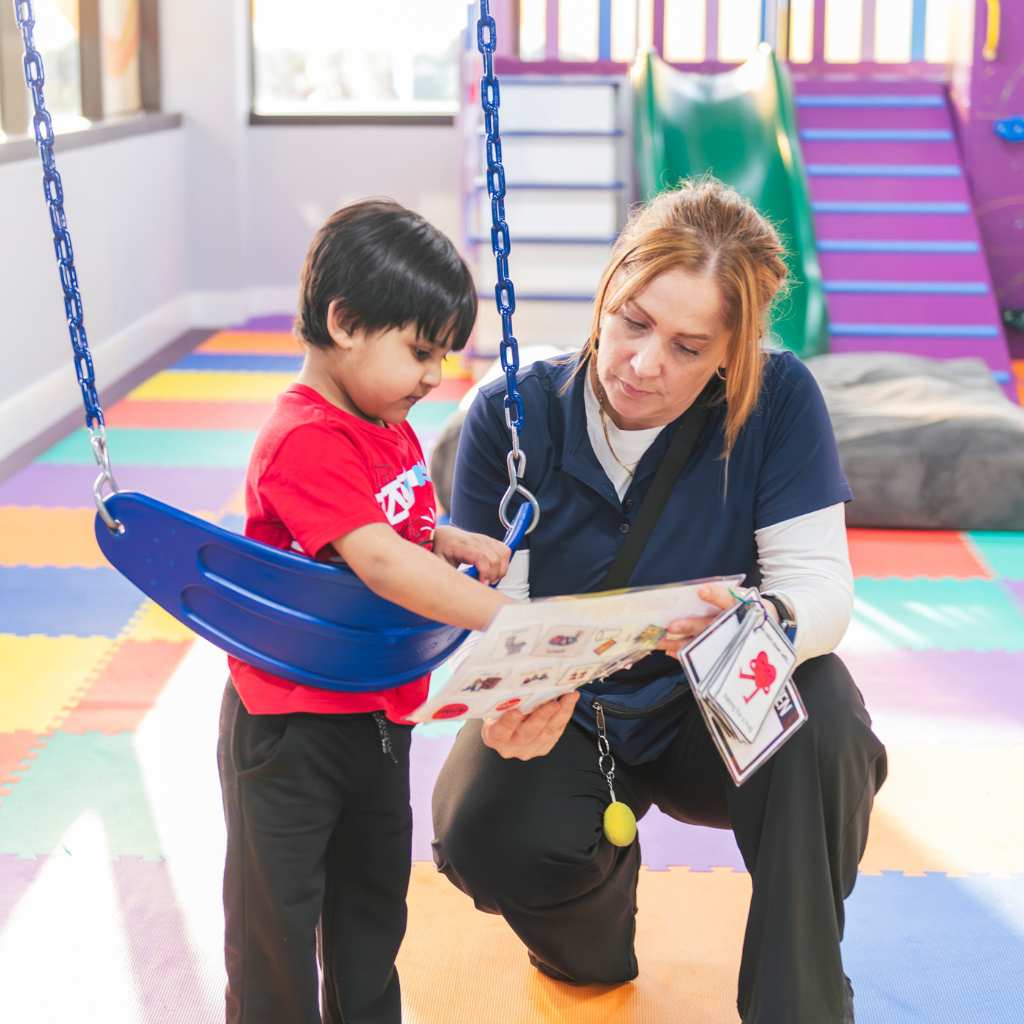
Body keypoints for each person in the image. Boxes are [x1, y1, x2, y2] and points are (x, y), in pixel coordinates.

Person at [431, 178, 888, 1024]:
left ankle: (802, 1003)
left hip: (708, 718)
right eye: (634, 323)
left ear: (731, 354)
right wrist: (506, 706)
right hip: (572, 719)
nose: (645, 365)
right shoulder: (509, 414)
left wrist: (767, 627)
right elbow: (495, 615)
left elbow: (818, 584)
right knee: (480, 833)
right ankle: (593, 926)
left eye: (688, 346)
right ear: (607, 295)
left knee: (823, 714)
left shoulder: (779, 401)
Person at [216, 199, 573, 1024]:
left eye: (443, 355)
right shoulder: (304, 435)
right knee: (278, 915)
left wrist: (447, 536)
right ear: (344, 323)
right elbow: (375, 558)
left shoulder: (383, 421)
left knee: (372, 908)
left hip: (377, 715)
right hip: (290, 725)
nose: (434, 376)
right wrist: (499, 617)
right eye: (420, 350)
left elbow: (394, 524)